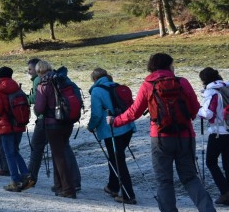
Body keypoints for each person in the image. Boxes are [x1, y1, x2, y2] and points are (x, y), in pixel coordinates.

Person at [108, 53, 216, 212]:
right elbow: (194, 109)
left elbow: (134, 112)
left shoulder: (148, 84)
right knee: (190, 178)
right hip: (185, 136)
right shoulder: (182, 82)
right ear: (168, 65)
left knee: (164, 181)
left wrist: (115, 121)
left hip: (160, 138)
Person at [28, 59, 81, 191]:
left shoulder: (43, 83)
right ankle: (63, 184)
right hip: (68, 121)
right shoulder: (64, 80)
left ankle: (67, 188)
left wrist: (35, 109)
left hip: (52, 123)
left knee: (57, 156)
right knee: (63, 150)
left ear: (38, 71)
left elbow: (39, 108)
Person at [87, 68, 136, 205]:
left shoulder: (97, 91)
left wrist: (91, 127)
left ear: (94, 79)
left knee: (118, 161)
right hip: (127, 127)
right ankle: (113, 187)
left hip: (112, 130)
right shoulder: (117, 86)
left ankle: (128, 195)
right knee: (115, 158)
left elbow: (96, 114)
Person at [0, 66, 35, 192]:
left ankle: (15, 181)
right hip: (19, 124)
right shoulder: (17, 88)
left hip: (6, 125)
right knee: (15, 151)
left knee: (9, 153)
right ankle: (26, 175)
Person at [198, 67, 229, 206]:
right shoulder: (226, 87)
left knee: (211, 162)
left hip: (218, 132)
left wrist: (199, 110)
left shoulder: (212, 92)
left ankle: (225, 192)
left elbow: (208, 114)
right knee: (227, 163)